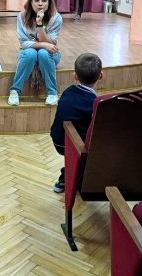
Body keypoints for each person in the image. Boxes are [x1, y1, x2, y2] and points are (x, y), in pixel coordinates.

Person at [49, 53, 103, 193]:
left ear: (75, 76)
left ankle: (71, 177)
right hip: (72, 143)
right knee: (97, 147)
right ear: (101, 75)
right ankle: (68, 178)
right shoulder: (94, 101)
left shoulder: (68, 91)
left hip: (57, 139)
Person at [8, 0, 63, 106]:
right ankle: (15, 91)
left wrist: (39, 24)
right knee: (30, 53)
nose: (40, 4)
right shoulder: (21, 16)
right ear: (31, 2)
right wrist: (43, 44)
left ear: (49, 2)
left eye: (44, 0)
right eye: (36, 0)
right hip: (28, 52)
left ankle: (52, 93)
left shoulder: (56, 18)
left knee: (43, 53)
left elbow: (51, 43)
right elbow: (24, 42)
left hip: (49, 53)